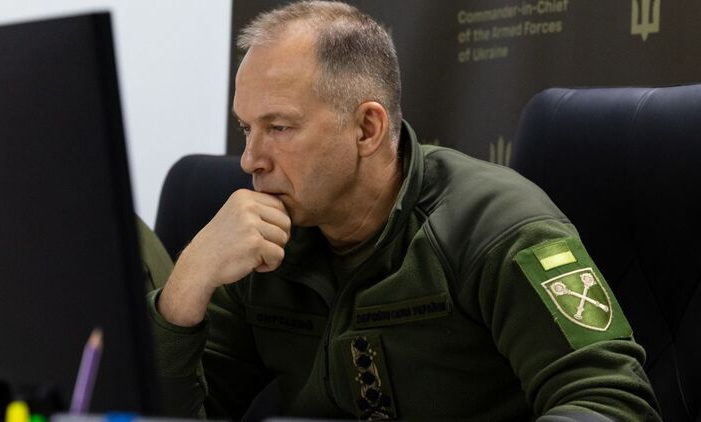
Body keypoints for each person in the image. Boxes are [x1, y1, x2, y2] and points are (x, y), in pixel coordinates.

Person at [147, 1, 661, 420]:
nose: (250, 159)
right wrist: (186, 286)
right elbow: (163, 413)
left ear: (367, 129)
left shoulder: (493, 225)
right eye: (246, 128)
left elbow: (611, 403)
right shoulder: (262, 237)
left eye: (279, 127)